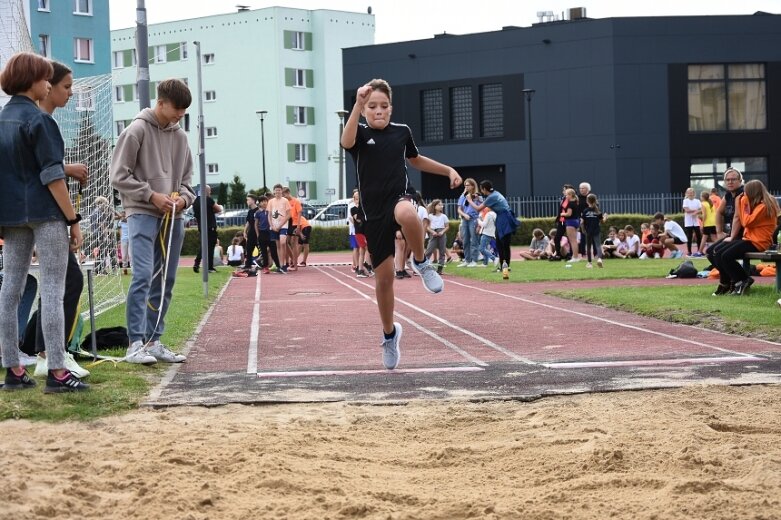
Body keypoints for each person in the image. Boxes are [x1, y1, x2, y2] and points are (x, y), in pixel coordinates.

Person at [341, 78, 461, 370]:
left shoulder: (401, 132)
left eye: (383, 106)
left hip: (399, 196)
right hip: (373, 213)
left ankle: (421, 262)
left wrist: (448, 170)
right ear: (365, 109)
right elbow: (345, 142)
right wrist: (356, 105)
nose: (378, 111)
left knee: (409, 214)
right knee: (383, 282)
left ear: (391, 109)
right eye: (372, 106)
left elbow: (416, 159)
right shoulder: (359, 133)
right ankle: (390, 334)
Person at [0, 52, 88, 392]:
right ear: (32, 81)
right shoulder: (40, 121)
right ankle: (56, 371)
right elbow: (52, 176)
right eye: (45, 79)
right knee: (52, 289)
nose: (48, 84)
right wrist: (73, 219)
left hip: (11, 217)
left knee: (10, 289)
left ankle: (13, 371)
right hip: (45, 214)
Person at [110, 78, 196, 364]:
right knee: (143, 276)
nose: (180, 114)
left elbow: (187, 183)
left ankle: (154, 340)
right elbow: (118, 176)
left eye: (185, 110)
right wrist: (151, 196)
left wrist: (183, 200)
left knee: (166, 279)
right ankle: (135, 343)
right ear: (160, 103)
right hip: (142, 213)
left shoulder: (181, 137)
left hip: (175, 218)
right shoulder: (136, 130)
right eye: (177, 108)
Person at [710, 179, 780, 296]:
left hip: (759, 242)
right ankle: (734, 281)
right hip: (750, 239)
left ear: (752, 192)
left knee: (726, 256)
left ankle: (742, 279)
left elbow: (747, 222)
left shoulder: (763, 206)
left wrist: (743, 202)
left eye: (746, 193)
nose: (744, 195)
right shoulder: (758, 204)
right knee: (718, 252)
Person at [465, 180, 519, 273]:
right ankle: (504, 266)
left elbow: (478, 209)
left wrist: (470, 200)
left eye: (482, 190)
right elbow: (488, 204)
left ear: (485, 189)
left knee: (503, 244)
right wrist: (479, 199)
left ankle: (505, 267)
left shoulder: (491, 197)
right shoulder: (495, 193)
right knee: (502, 244)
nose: (481, 192)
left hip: (504, 218)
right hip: (505, 217)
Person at [706, 168, 746, 291]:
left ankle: (737, 280)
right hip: (732, 235)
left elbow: (738, 218)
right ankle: (728, 280)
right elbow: (718, 213)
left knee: (718, 252)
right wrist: (719, 232)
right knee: (709, 252)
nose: (730, 182)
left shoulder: (744, 194)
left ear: (740, 181)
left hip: (744, 235)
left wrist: (732, 236)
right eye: (727, 180)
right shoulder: (728, 195)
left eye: (733, 179)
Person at [192, 184, 222, 273]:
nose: (210, 192)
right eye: (209, 191)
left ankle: (197, 263)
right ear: (206, 191)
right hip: (210, 226)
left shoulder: (196, 201)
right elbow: (219, 209)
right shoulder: (208, 199)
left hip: (201, 226)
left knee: (203, 246)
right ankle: (209, 267)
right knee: (211, 247)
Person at [254, 195, 282, 274]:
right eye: (262, 202)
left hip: (271, 233)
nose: (264, 203)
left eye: (265, 201)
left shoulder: (272, 211)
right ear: (259, 203)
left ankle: (278, 266)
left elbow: (276, 219)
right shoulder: (258, 213)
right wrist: (258, 234)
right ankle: (265, 267)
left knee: (273, 251)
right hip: (262, 234)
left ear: (268, 202)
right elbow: (256, 224)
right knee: (264, 252)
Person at [457, 178, 481, 267]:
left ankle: (474, 260)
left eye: (468, 185)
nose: (466, 187)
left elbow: (481, 209)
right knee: (465, 240)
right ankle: (467, 260)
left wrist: (479, 222)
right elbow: (459, 209)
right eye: (465, 185)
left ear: (473, 186)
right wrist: (464, 215)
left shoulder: (477, 196)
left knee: (474, 240)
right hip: (465, 219)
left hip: (473, 219)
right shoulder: (463, 196)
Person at [267, 184, 291, 274]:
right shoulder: (271, 201)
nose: (277, 192)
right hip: (273, 226)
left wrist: (280, 225)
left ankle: (284, 263)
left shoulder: (285, 201)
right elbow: (269, 215)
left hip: (283, 226)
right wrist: (272, 226)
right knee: (278, 246)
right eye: (276, 190)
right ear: (274, 191)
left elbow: (289, 214)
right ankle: (280, 265)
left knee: (283, 242)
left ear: (282, 191)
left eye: (279, 190)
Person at [424, 199, 450, 274]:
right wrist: (432, 232)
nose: (441, 206)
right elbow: (427, 227)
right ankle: (424, 266)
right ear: (434, 206)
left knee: (442, 251)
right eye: (439, 205)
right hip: (433, 233)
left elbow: (447, 226)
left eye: (442, 205)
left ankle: (440, 269)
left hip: (442, 234)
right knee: (429, 250)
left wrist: (442, 232)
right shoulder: (430, 216)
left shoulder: (444, 216)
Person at [350, 191, 371, 278]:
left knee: (363, 251)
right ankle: (366, 266)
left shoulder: (363, 208)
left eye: (359, 198)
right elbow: (358, 219)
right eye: (357, 198)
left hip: (365, 232)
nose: (358, 199)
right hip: (359, 232)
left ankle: (361, 269)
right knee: (367, 249)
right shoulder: (353, 209)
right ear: (354, 199)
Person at [581, 193, 604, 268]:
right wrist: (606, 217)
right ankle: (600, 259)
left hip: (588, 231)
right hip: (596, 230)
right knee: (598, 246)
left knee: (588, 247)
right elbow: (602, 222)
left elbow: (582, 222)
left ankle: (589, 263)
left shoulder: (585, 211)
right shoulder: (598, 211)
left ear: (587, 201)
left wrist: (583, 229)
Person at [283, 187, 302, 271]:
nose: (284, 196)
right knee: (285, 242)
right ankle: (293, 260)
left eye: (284, 194)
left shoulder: (296, 201)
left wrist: (298, 226)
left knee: (294, 243)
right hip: (288, 223)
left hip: (295, 223)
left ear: (288, 193)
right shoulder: (285, 202)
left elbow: (299, 214)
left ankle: (295, 265)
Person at [682, 187, 703, 257]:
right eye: (689, 193)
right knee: (689, 237)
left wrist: (695, 212)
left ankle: (699, 251)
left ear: (694, 193)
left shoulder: (697, 201)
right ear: (687, 194)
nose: (690, 194)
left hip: (696, 221)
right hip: (688, 222)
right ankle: (689, 251)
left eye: (692, 192)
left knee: (698, 236)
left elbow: (701, 209)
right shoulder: (685, 201)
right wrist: (696, 211)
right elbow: (686, 210)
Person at [698, 190, 717, 256]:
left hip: (707, 223)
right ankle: (720, 248)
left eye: (701, 196)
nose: (700, 197)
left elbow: (705, 215)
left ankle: (699, 252)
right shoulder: (710, 204)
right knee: (714, 238)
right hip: (713, 222)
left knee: (704, 238)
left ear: (703, 197)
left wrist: (702, 224)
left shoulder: (703, 204)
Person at [243, 194, 258, 269]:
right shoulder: (250, 211)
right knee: (248, 249)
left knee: (261, 249)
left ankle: (264, 264)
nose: (247, 201)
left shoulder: (258, 210)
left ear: (253, 200)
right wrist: (245, 231)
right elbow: (248, 222)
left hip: (258, 232)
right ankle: (247, 264)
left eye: (248, 200)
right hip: (251, 232)